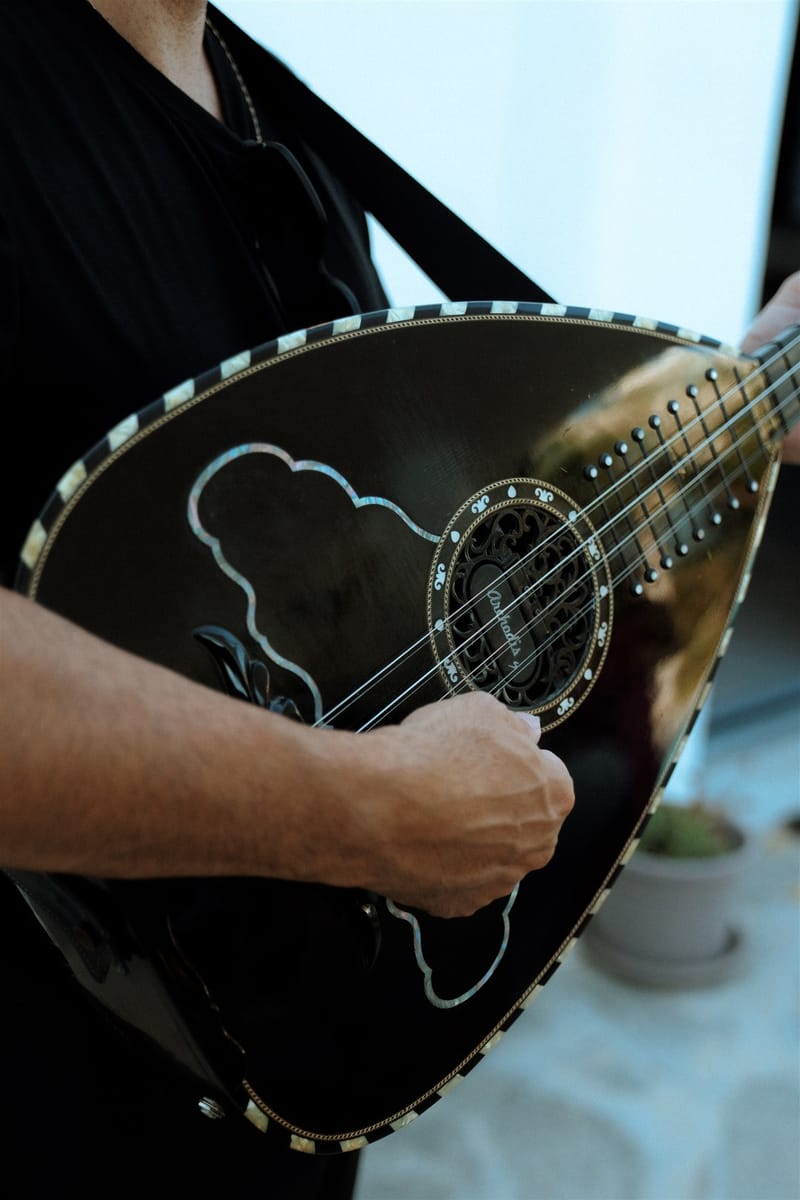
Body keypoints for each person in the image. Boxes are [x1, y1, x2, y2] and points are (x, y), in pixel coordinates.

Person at [0, 3, 797, 1198]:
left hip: (274, 1090)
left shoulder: (269, 111)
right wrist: (358, 813)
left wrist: (741, 408)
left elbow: (398, 556)